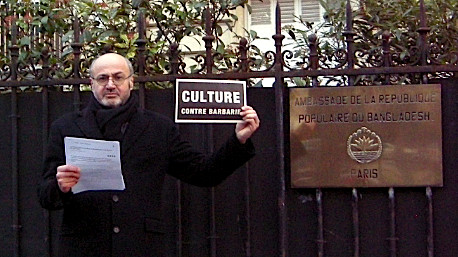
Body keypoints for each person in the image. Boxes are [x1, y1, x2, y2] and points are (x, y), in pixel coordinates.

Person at [38, 53, 260, 257]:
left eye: (118, 77)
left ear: (131, 82)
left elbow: (204, 173)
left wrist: (238, 140)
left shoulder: (158, 128)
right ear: (92, 84)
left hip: (140, 246)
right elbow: (45, 195)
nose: (110, 85)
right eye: (102, 78)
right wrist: (60, 187)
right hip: (84, 247)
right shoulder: (65, 127)